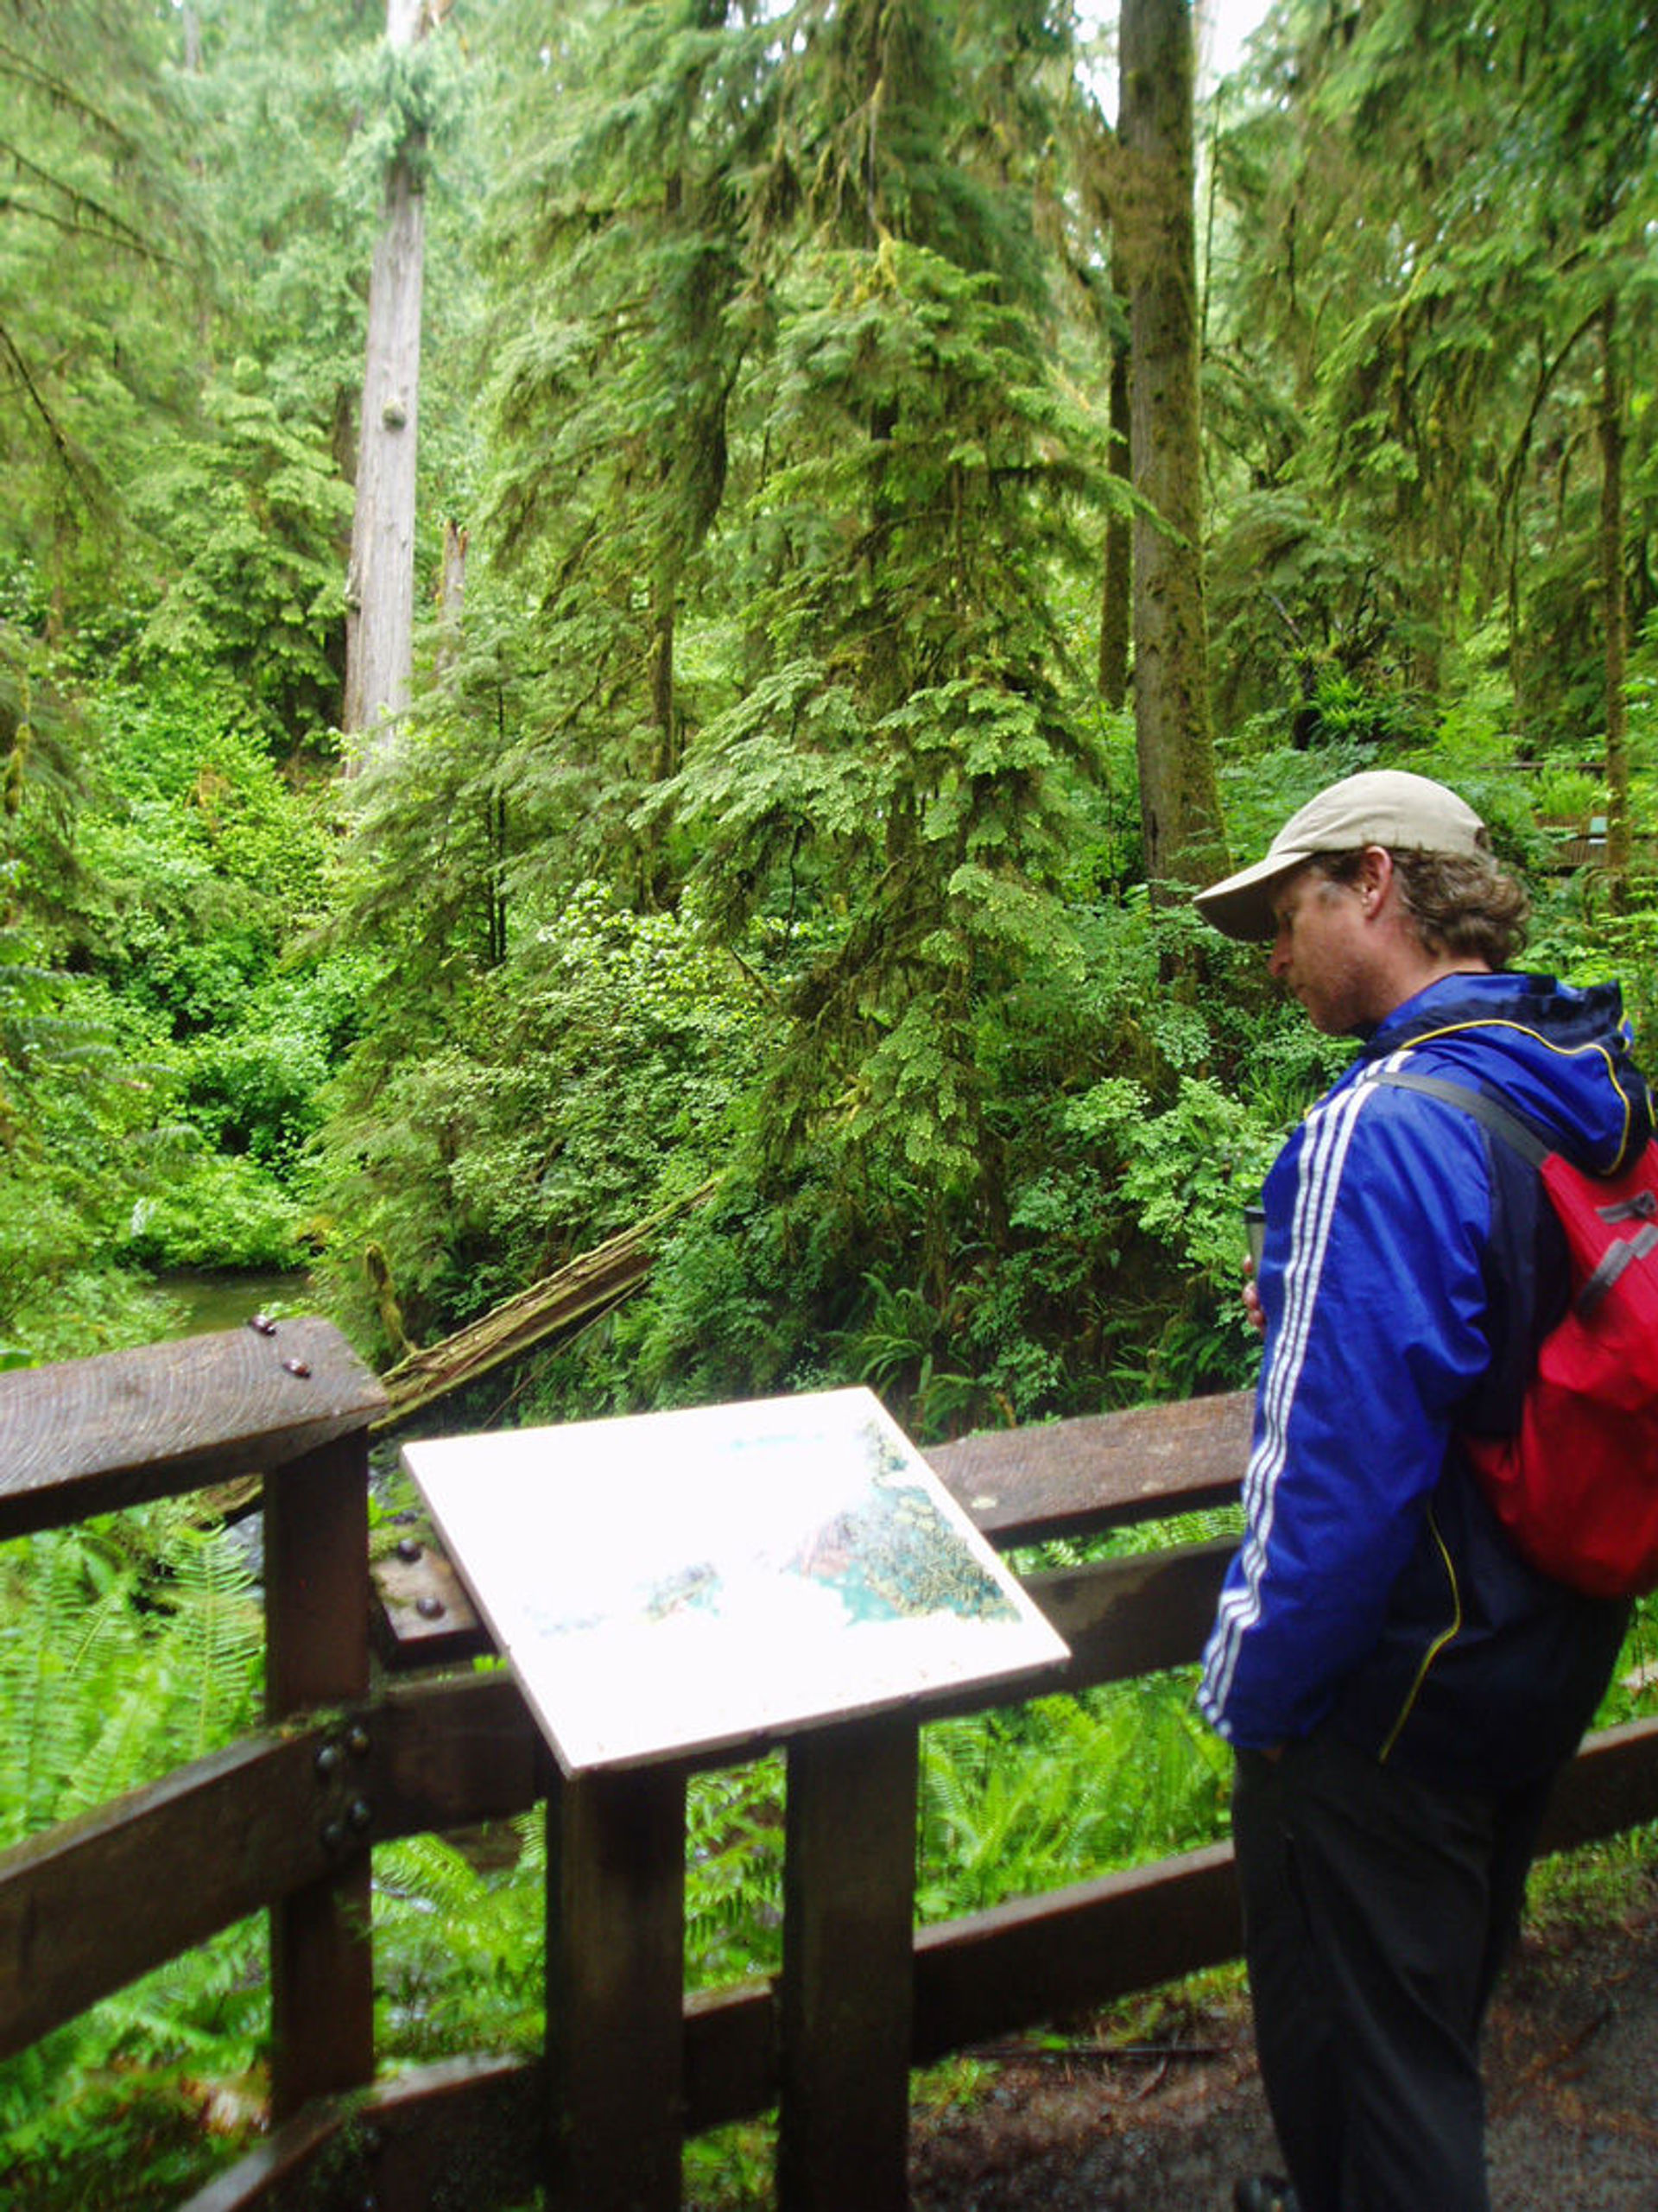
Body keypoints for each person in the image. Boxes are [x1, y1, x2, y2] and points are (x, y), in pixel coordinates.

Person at [1190, 770, 1651, 2212]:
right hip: (1544, 1647)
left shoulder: (1381, 1130)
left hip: (1390, 1703)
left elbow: (1334, 1481)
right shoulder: (1584, 1080)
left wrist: (1253, 1705)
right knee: (1430, 2024)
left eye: (1287, 912)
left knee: (1380, 2089)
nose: (1273, 955)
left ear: (1373, 883)